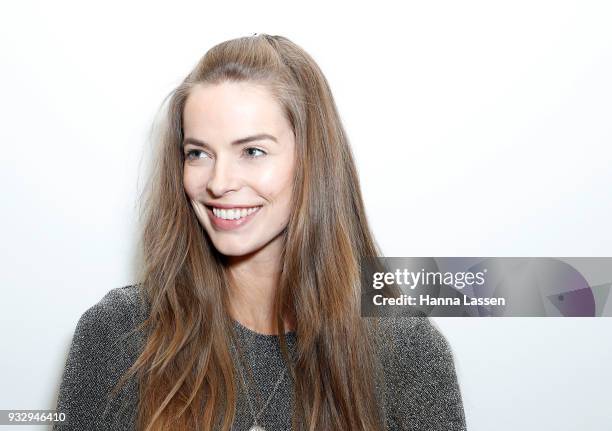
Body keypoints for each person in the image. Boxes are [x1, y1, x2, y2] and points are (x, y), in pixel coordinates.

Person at [53, 33, 466, 431]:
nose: (218, 181)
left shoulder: (405, 350)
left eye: (252, 151)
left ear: (312, 162)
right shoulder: (118, 335)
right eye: (198, 153)